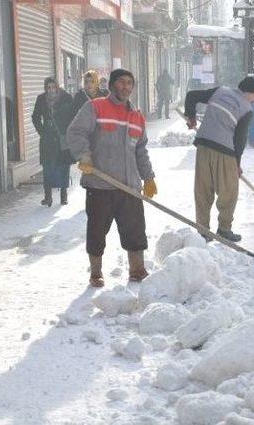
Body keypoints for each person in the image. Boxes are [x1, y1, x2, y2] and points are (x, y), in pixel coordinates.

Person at [67, 69, 157, 287]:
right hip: (100, 185)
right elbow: (76, 132)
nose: (126, 86)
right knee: (97, 232)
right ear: (112, 85)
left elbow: (141, 150)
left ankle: (137, 269)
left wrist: (148, 177)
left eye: (130, 83)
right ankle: (96, 273)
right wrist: (84, 155)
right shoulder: (95, 107)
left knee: (135, 230)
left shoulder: (137, 115)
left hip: (129, 186)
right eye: (121, 82)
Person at [183, 77, 254, 242]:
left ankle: (203, 231)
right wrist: (236, 164)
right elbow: (240, 139)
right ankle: (224, 229)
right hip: (224, 149)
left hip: (203, 144)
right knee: (229, 191)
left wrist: (191, 116)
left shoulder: (220, 91)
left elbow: (191, 96)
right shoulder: (246, 108)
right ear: (251, 94)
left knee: (203, 189)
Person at [32, 77, 74, 207]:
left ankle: (63, 196)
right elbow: (35, 117)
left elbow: (73, 115)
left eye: (53, 87)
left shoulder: (66, 98)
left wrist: (68, 131)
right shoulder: (41, 99)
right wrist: (42, 131)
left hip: (62, 138)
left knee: (63, 167)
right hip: (48, 139)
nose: (51, 90)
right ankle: (48, 197)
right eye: (48, 88)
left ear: (57, 87)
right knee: (48, 167)